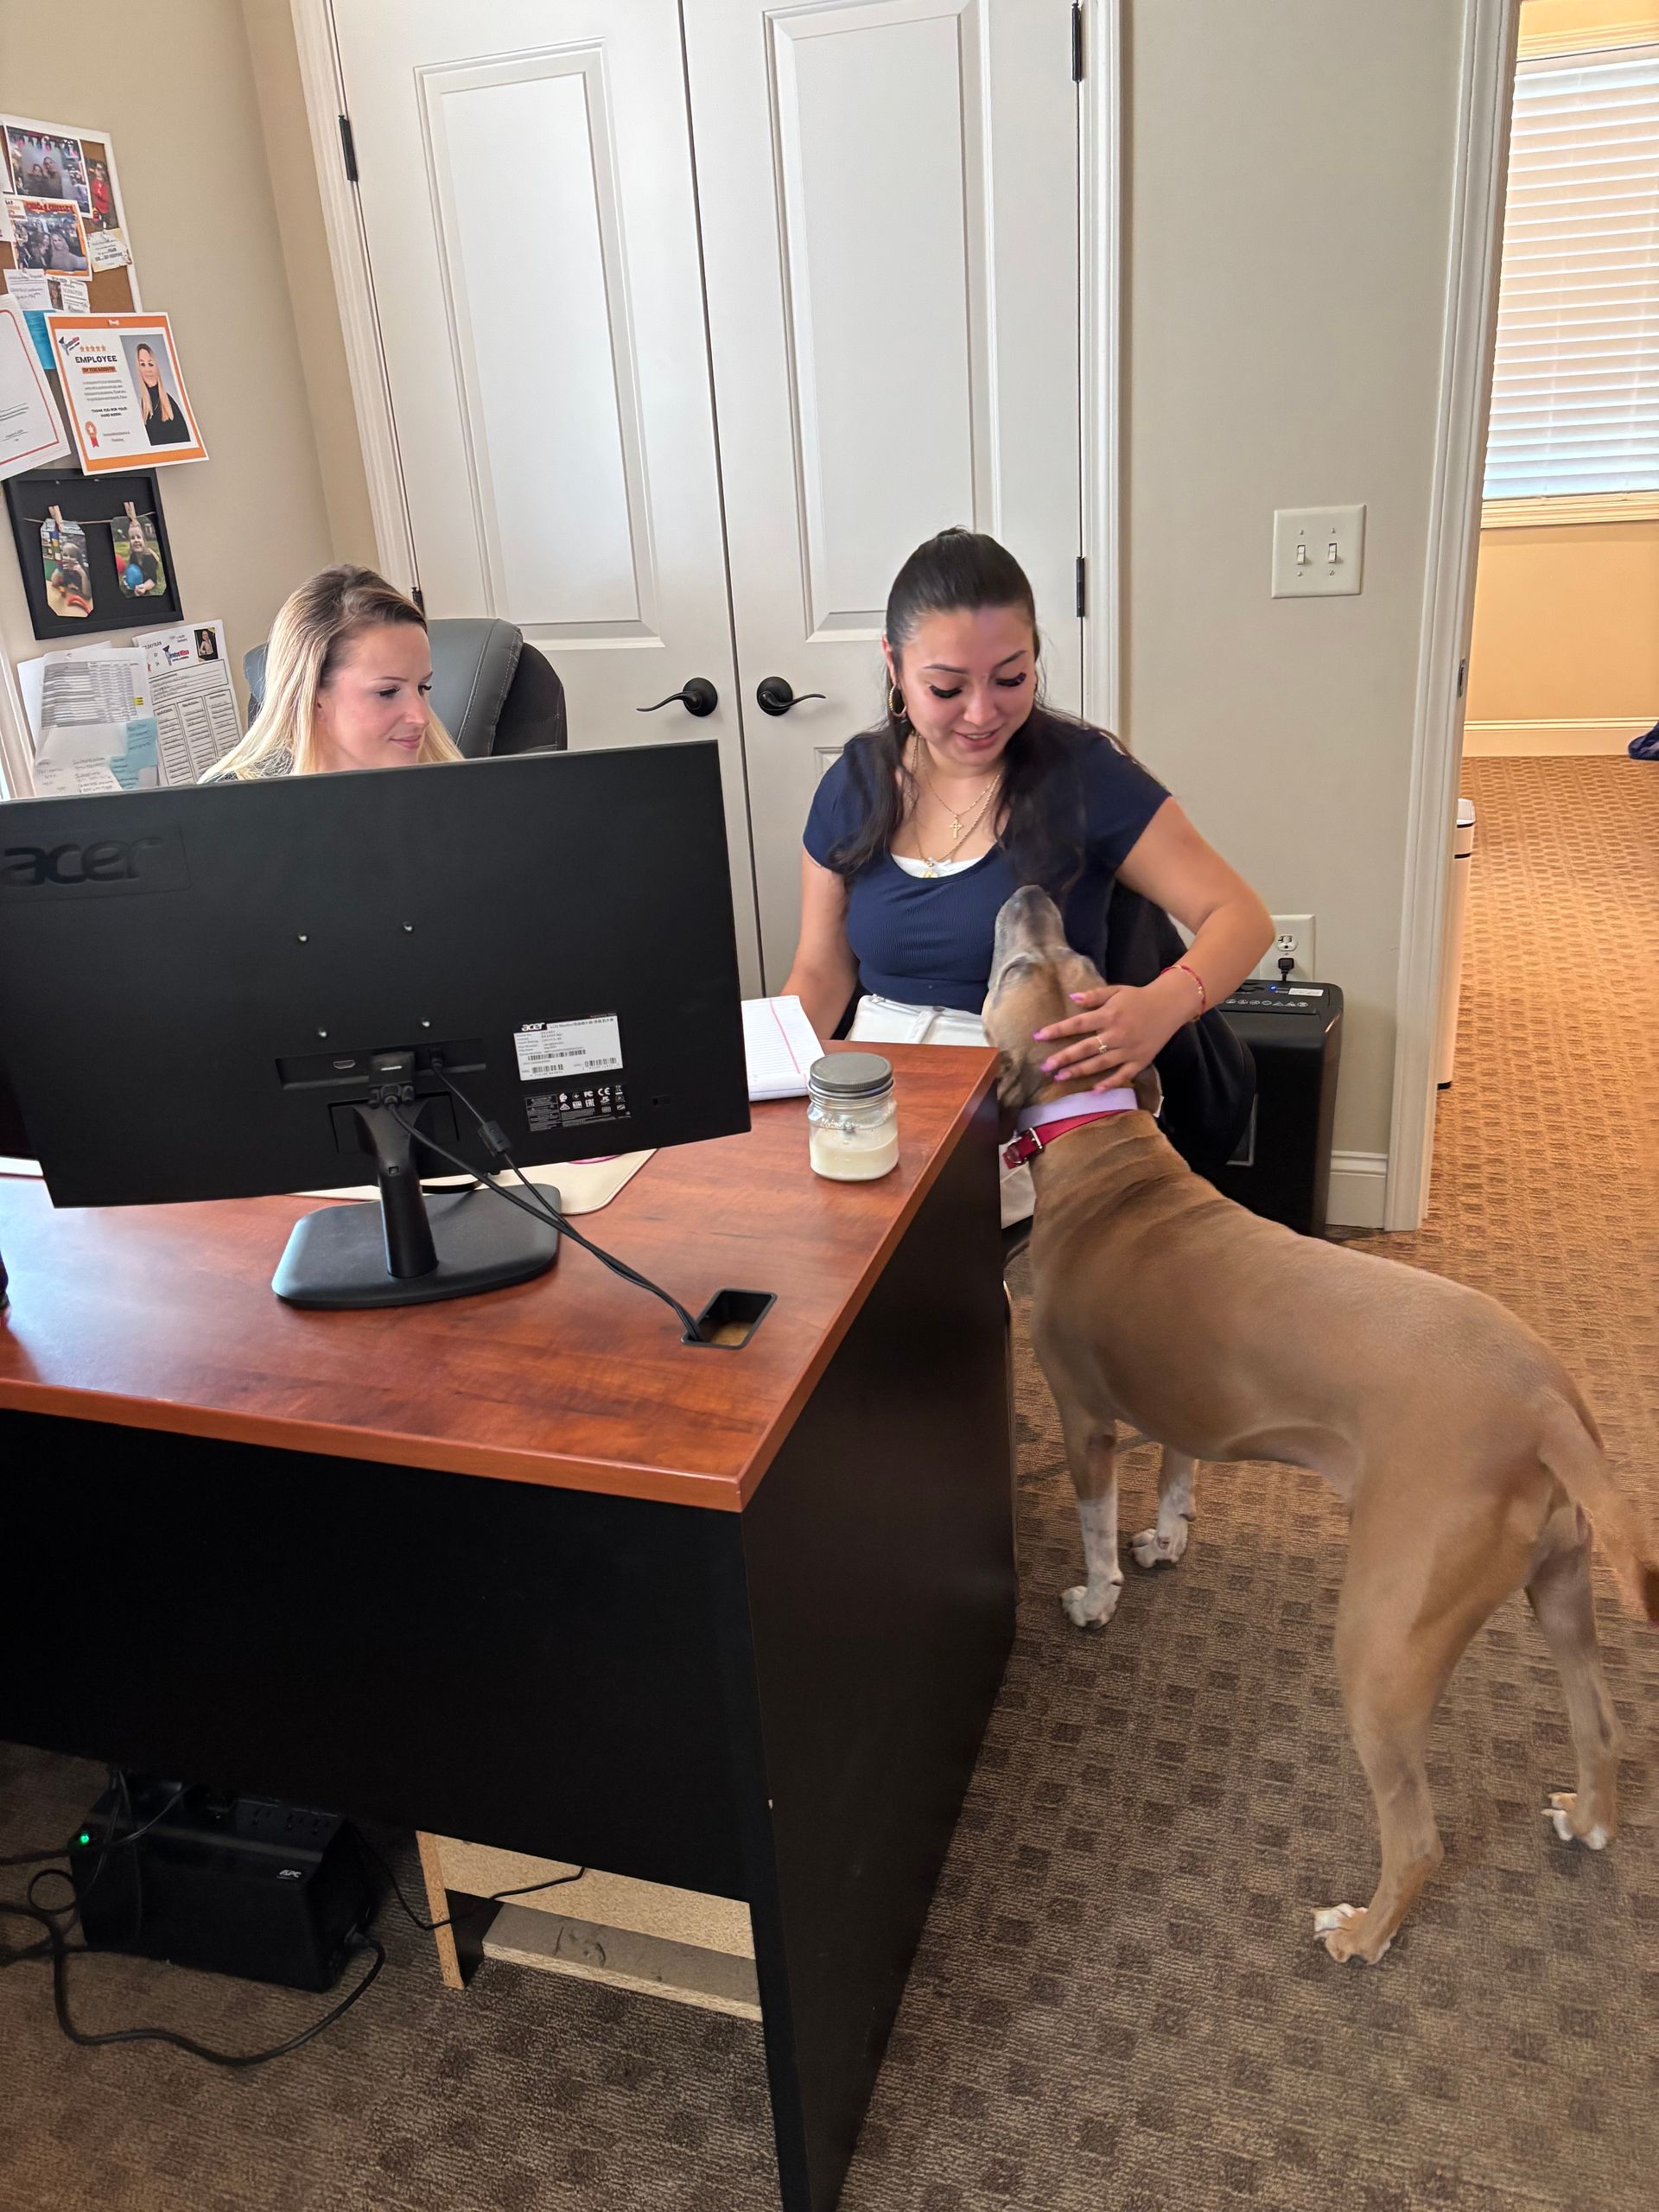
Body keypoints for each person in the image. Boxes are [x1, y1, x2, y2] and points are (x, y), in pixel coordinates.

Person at [783, 528, 1274, 1224]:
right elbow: (820, 973)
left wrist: (1160, 1008)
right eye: (947, 687)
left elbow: (1240, 917)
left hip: (1033, 1103)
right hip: (876, 1097)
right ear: (894, 666)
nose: (983, 713)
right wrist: (768, 1088)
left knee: (939, 1273)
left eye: (1010, 679)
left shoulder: (1086, 777)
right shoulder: (854, 784)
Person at [204, 564, 462, 782]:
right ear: (314, 696)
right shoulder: (232, 818)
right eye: (388, 692)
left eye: (422, 688)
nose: (421, 717)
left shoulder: (462, 799)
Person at [132, 341, 191, 446]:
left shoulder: (168, 403)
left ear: (156, 367)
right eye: (142, 364)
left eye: (150, 364)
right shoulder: (144, 406)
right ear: (139, 369)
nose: (147, 369)